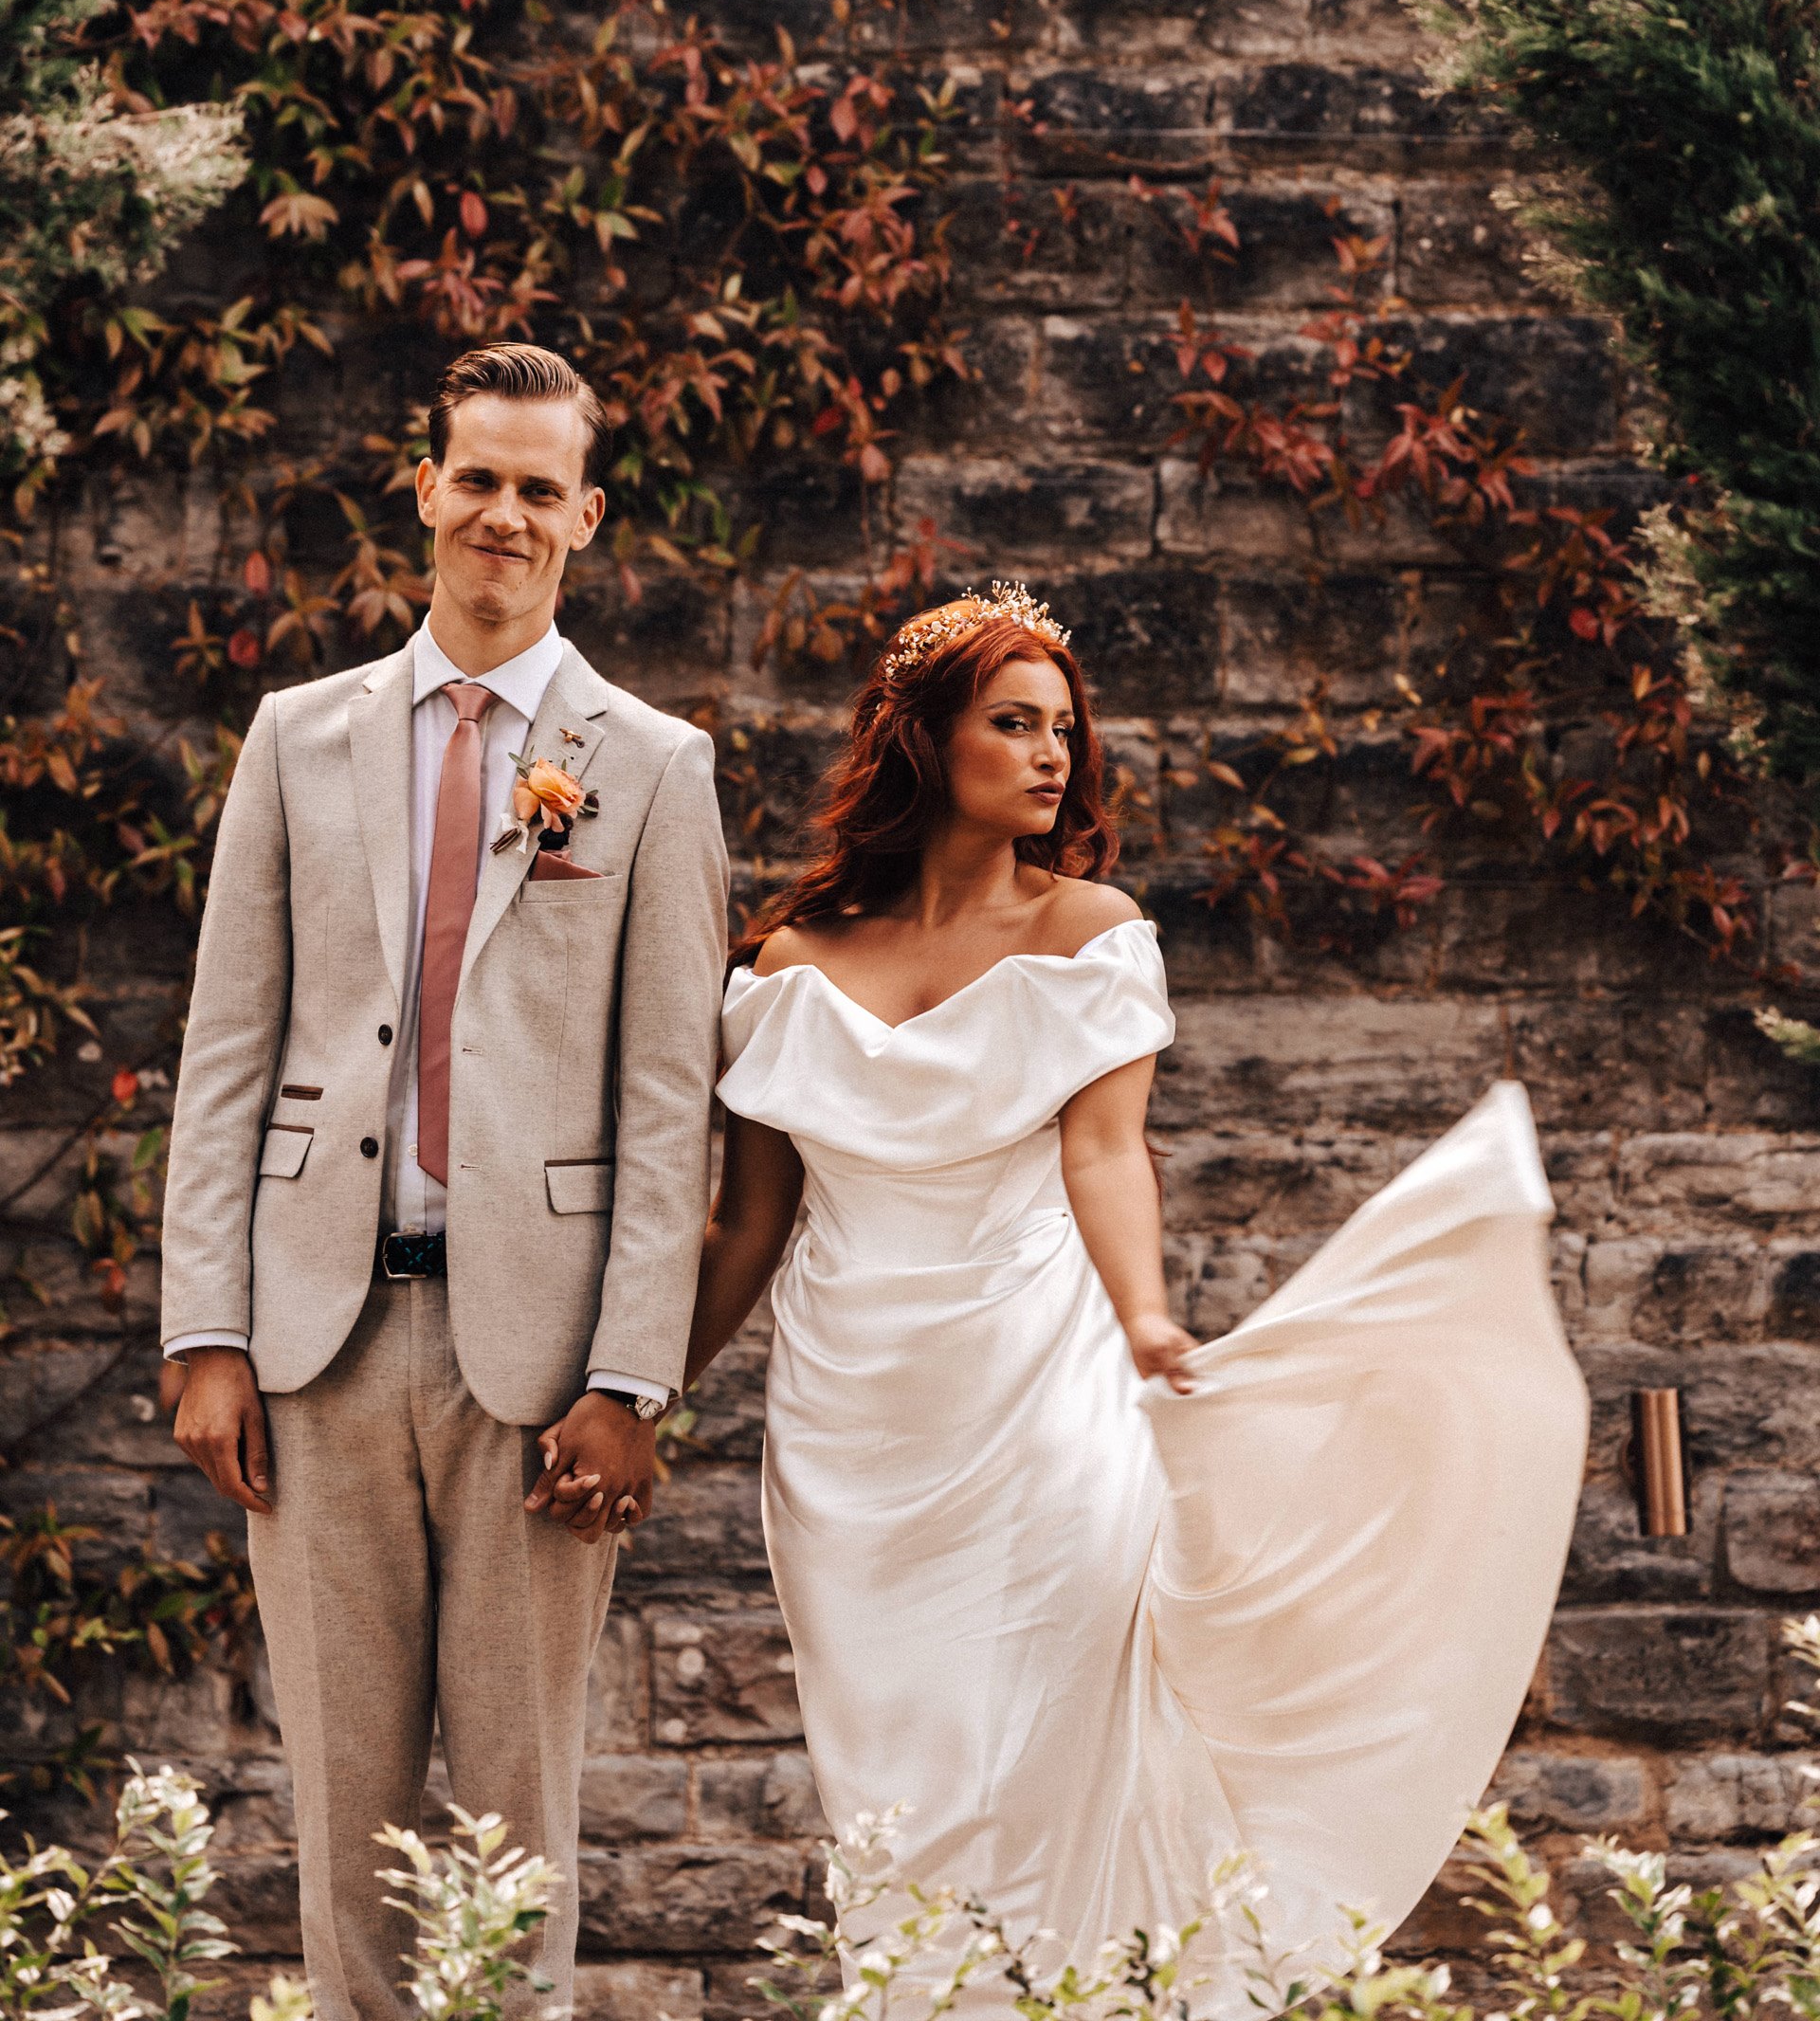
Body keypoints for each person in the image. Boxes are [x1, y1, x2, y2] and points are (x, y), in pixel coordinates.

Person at [686, 582, 1589, 1971]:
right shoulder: (786, 964)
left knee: (1061, 1737)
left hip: (1043, 1393)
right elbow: (745, 1226)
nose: (1054, 755)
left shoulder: (1090, 933)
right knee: (898, 1777)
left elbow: (1109, 1155)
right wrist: (636, 1396)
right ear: (925, 739)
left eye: (1064, 728)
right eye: (1013, 723)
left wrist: (1147, 1314)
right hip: (849, 1434)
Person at [160, 342, 729, 2021]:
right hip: (318, 1347)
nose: (503, 513)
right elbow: (229, 1047)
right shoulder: (298, 737)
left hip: (540, 1367)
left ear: (586, 519)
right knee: (343, 1817)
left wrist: (633, 1378)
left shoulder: (652, 764)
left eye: (538, 489)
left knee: (511, 1822)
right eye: (477, 477)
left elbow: (666, 1097)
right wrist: (209, 1332)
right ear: (427, 489)